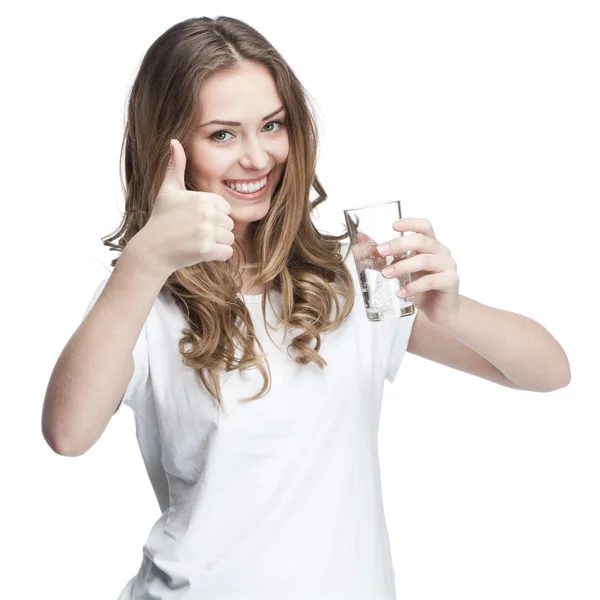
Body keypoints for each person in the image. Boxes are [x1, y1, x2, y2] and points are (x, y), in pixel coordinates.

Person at [41, 16, 571, 600]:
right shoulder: (145, 293)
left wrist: (454, 310)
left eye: (272, 125)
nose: (257, 157)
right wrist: (142, 262)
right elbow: (67, 434)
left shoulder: (349, 275)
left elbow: (548, 372)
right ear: (168, 146)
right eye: (222, 134)